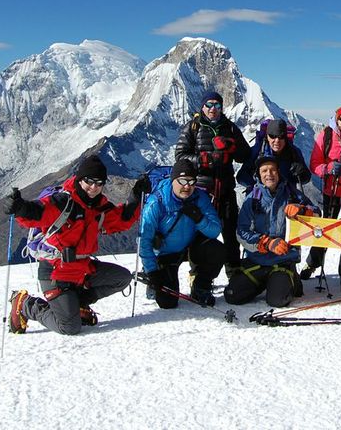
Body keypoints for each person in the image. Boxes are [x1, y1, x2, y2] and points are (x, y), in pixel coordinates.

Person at [6, 155, 143, 335]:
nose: (94, 187)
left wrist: (136, 196)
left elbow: (121, 220)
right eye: (89, 181)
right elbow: (38, 212)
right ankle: (25, 304)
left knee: (122, 278)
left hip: (82, 269)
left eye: (99, 183)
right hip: (55, 272)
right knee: (69, 327)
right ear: (80, 179)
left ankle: (75, 304)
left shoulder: (98, 208)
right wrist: (19, 208)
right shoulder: (63, 202)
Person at [174, 91, 251, 278]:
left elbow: (245, 155)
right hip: (201, 191)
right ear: (202, 106)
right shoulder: (193, 127)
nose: (213, 109)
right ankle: (197, 273)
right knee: (200, 234)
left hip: (225, 189)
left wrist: (232, 146)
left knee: (231, 234)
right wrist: (204, 159)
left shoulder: (230, 128)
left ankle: (234, 274)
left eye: (217, 105)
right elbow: (180, 156)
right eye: (209, 105)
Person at [224, 156, 319, 307]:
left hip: (283, 261)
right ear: (259, 175)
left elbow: (317, 214)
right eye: (264, 171)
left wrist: (302, 210)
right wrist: (266, 243)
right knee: (232, 295)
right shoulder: (252, 199)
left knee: (277, 300)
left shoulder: (291, 195)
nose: (269, 174)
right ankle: (268, 282)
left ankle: (287, 279)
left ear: (278, 172)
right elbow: (241, 231)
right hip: (257, 261)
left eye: (273, 170)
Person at [136, 160, 225, 308]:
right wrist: (153, 273)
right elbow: (144, 240)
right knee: (167, 302)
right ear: (173, 180)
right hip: (165, 253)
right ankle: (150, 273)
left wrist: (199, 219)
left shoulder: (199, 197)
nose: (187, 186)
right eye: (182, 181)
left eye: (191, 181)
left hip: (189, 246)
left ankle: (201, 287)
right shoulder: (156, 202)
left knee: (216, 250)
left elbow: (215, 230)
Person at [303, 105, 341, 282]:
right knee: (324, 229)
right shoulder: (326, 135)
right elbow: (315, 164)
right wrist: (329, 168)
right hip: (331, 190)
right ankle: (312, 263)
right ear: (337, 119)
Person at [236, 118, 311, 191]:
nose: (277, 140)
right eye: (273, 136)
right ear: (267, 136)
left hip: (287, 198)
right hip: (260, 199)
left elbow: (306, 178)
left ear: (285, 137)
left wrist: (301, 174)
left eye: (281, 137)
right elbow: (241, 177)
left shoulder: (294, 152)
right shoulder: (257, 151)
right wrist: (259, 187)